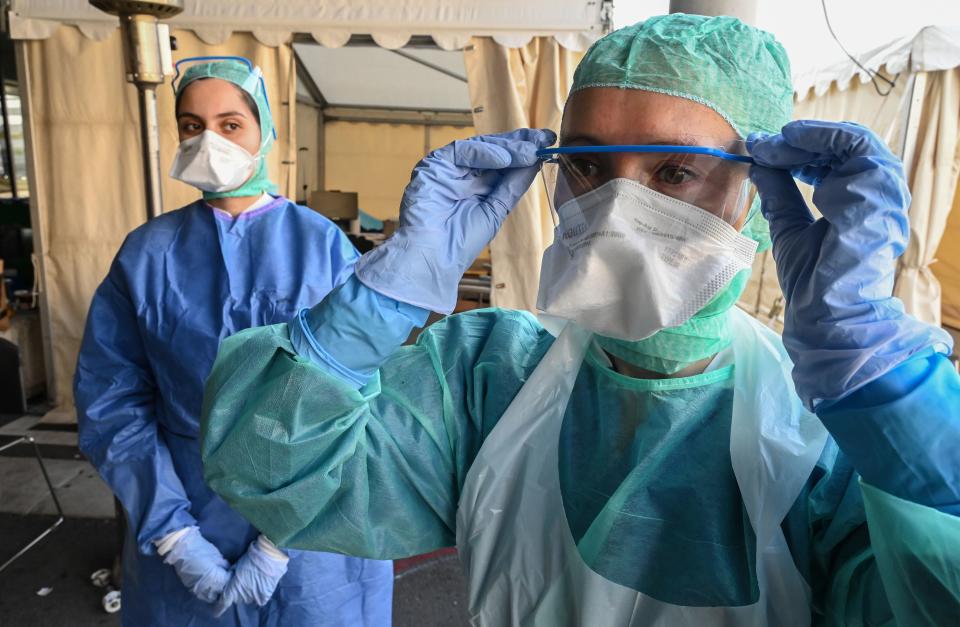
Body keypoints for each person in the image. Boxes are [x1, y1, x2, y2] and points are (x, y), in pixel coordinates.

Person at [201, 16, 960, 627]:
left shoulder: (828, 433)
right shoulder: (489, 374)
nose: (617, 212)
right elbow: (272, 471)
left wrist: (891, 401)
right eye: (589, 167)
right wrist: (382, 294)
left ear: (757, 195)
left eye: (672, 172)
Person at [74, 58, 393, 626]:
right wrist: (173, 535)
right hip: (182, 505)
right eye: (192, 126)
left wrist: (280, 541)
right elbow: (113, 396)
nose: (209, 141)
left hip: (313, 525)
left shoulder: (322, 247)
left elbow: (363, 399)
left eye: (229, 124)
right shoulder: (146, 254)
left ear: (264, 130)